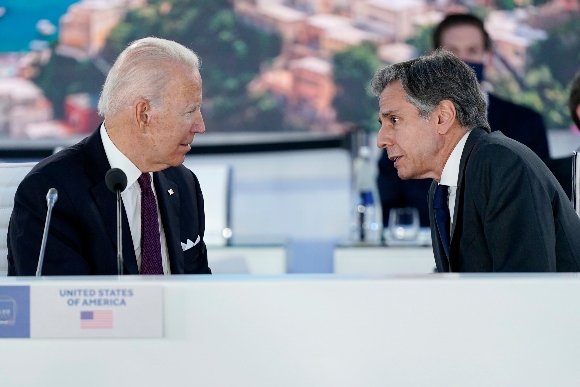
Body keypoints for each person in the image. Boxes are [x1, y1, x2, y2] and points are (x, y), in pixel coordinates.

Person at [7, 37, 211, 276]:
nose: (200, 126)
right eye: (189, 111)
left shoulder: (184, 184)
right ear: (144, 114)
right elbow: (58, 307)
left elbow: (199, 290)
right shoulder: (51, 191)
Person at [371, 49, 580, 272]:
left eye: (394, 120)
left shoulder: (500, 163)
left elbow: (525, 290)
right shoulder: (442, 185)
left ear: (443, 117)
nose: (381, 140)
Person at [377, 13, 551, 230]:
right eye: (452, 53)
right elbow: (392, 204)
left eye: (472, 51)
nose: (462, 62)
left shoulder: (526, 123)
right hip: (421, 252)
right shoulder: (402, 122)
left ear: (486, 58)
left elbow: (538, 199)